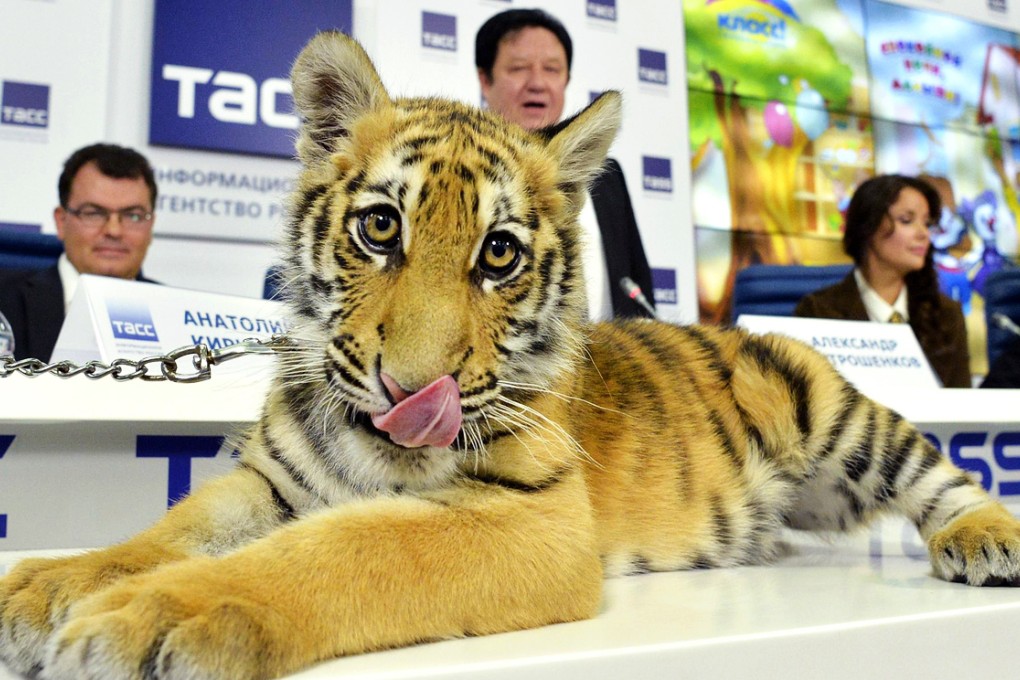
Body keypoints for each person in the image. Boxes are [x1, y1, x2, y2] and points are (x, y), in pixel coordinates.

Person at [475, 8, 654, 319]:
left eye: (552, 69)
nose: (537, 83)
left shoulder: (607, 176)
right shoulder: (464, 170)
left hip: (609, 362)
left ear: (567, 80)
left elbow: (638, 287)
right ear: (485, 79)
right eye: (518, 68)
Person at [794, 174, 971, 387]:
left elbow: (962, 407)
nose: (923, 234)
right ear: (868, 226)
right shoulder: (818, 311)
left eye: (927, 223)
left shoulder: (946, 315)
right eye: (907, 220)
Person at [0, 142, 158, 362]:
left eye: (133, 215)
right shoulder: (4, 300)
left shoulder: (178, 317)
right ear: (61, 221)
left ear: (151, 226)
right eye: (93, 213)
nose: (114, 230)